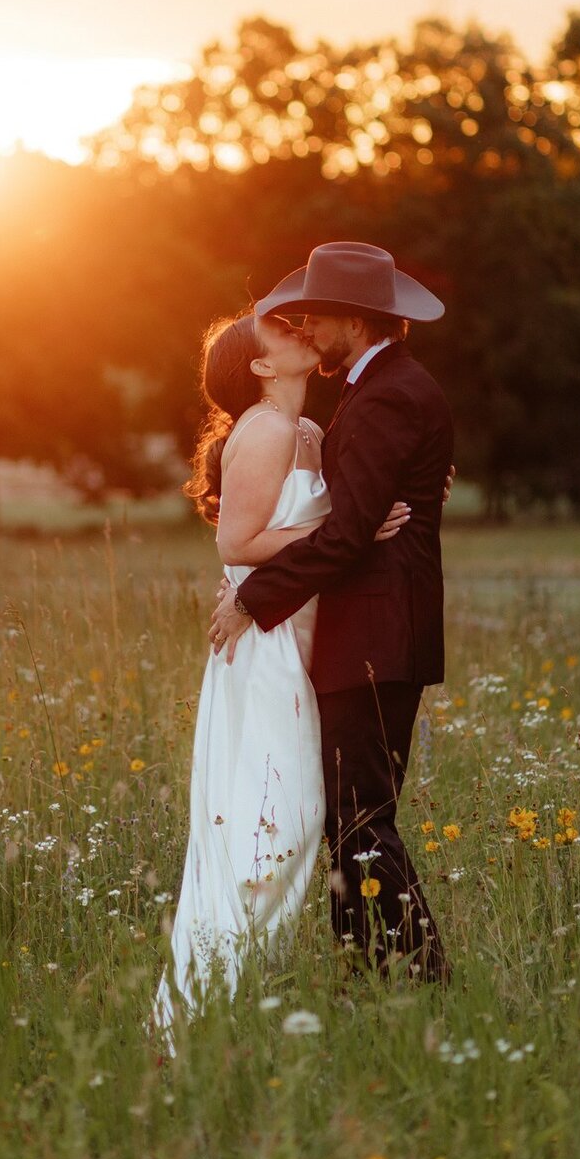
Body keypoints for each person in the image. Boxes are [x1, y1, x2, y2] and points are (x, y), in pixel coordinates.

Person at [152, 306, 412, 1051]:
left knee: (290, 821)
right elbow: (239, 542)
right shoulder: (262, 432)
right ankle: (198, 1012)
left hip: (300, 640)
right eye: (282, 334)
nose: (301, 333)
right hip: (262, 645)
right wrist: (350, 533)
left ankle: (227, 998)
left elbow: (347, 506)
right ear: (262, 368)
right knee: (279, 821)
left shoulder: (306, 434)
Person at [208, 241, 454, 984]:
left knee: (361, 818)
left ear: (354, 318)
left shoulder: (389, 393)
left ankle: (420, 979)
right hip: (364, 631)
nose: (307, 328)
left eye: (317, 317)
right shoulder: (374, 389)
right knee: (351, 818)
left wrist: (253, 597)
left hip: (376, 634)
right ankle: (368, 976)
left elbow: (349, 532)